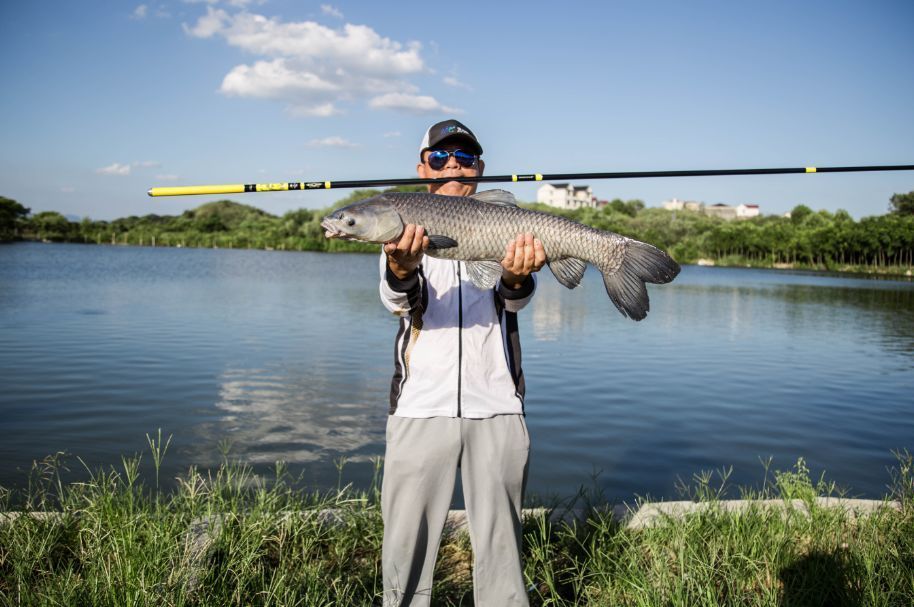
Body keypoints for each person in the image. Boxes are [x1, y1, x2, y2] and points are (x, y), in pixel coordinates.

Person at [379, 119, 545, 606]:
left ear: (480, 170)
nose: (453, 164)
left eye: (465, 158)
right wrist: (401, 266)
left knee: (502, 552)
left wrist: (516, 276)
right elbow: (397, 301)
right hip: (418, 406)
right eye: (441, 157)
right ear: (422, 168)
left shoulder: (502, 223)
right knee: (404, 550)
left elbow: (513, 302)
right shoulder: (399, 227)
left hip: (496, 404)